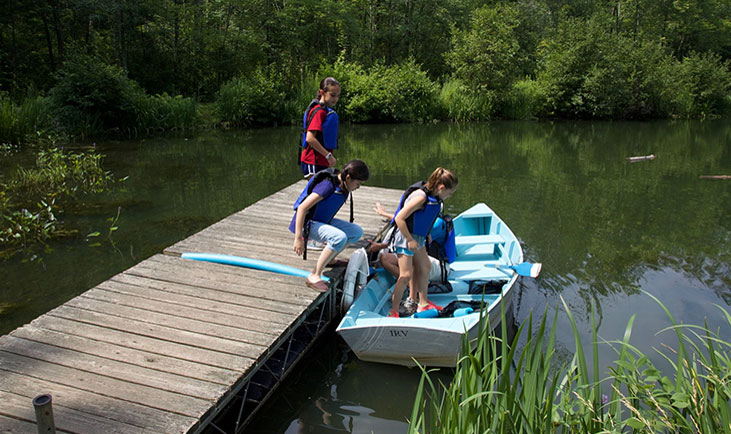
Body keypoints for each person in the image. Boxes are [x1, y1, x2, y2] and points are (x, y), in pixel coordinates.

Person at [387, 168, 458, 317]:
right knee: (405, 275)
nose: (449, 196)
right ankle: (393, 311)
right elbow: (400, 218)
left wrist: (427, 234)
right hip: (405, 238)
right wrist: (410, 240)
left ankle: (423, 303)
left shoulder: (435, 198)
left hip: (418, 238)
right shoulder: (421, 198)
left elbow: (425, 218)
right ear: (441, 187)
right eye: (450, 193)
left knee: (425, 266)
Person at [290, 160, 369, 291]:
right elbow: (302, 208)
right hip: (307, 223)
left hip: (322, 220)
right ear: (348, 177)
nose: (358, 187)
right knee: (339, 238)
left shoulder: (343, 184)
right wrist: (298, 238)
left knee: (356, 232)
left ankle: (330, 260)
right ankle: (314, 275)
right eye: (358, 183)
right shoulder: (327, 185)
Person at [300, 77, 341, 178]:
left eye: (338, 96)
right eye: (332, 95)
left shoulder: (325, 111)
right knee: (316, 192)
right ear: (322, 92)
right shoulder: (319, 111)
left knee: (321, 191)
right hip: (313, 161)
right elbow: (310, 138)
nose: (335, 99)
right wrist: (328, 156)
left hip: (321, 161)